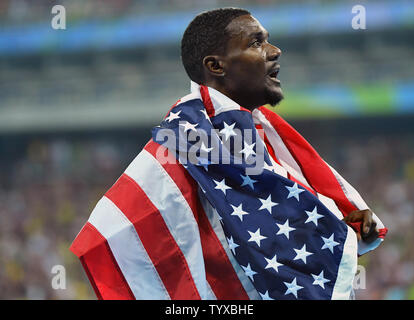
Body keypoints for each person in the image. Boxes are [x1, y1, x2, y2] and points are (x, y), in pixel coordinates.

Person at [70, 7, 387, 300]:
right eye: (256, 43)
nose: (274, 51)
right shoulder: (190, 134)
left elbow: (273, 224)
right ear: (215, 65)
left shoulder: (252, 126)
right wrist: (341, 232)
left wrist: (345, 228)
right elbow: (113, 229)